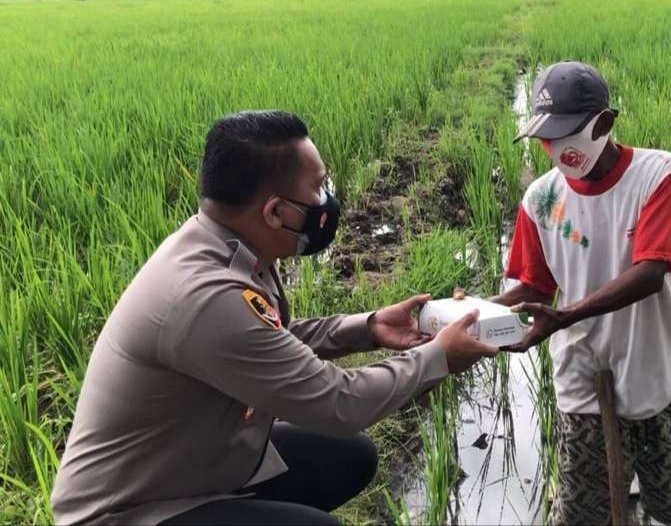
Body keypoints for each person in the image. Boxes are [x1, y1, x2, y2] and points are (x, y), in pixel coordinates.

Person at [51, 110, 498, 525]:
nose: (327, 200)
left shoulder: (225, 245)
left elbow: (269, 339)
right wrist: (438, 356)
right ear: (275, 212)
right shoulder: (205, 295)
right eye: (319, 188)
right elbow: (338, 402)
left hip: (193, 460)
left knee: (348, 457)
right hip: (129, 508)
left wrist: (368, 327)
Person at [494, 62, 671, 525]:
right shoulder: (539, 199)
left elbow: (651, 271)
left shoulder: (659, 175)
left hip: (660, 378)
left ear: (604, 124)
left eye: (568, 133)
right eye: (547, 136)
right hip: (581, 383)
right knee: (581, 516)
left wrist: (567, 314)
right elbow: (536, 286)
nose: (556, 148)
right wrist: (473, 313)